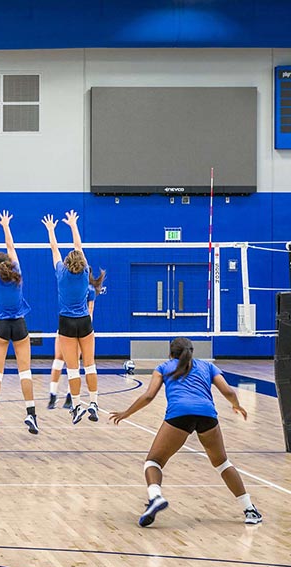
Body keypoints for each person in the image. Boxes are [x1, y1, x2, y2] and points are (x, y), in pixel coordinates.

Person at [109, 338, 263, 527]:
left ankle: (155, 497)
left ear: (170, 353)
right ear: (192, 351)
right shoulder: (207, 366)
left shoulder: (163, 367)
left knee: (153, 462)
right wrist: (236, 406)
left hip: (179, 415)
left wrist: (126, 413)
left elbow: (149, 396)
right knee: (222, 463)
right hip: (207, 414)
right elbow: (228, 391)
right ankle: (249, 509)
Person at [0, 211, 38, 435]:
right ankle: (31, 414)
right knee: (25, 372)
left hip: (1, 327)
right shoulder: (18, 273)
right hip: (20, 326)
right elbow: (11, 246)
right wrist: (5, 225)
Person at [42, 211, 100, 424]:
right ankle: (93, 403)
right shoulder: (85, 273)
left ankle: (76, 406)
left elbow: (54, 248)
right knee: (90, 365)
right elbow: (78, 245)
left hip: (66, 323)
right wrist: (74, 224)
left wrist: (51, 229)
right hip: (85, 321)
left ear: (66, 263)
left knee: (73, 367)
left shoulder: (61, 273)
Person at [48, 273, 105, 410]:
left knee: (60, 360)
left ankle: (54, 396)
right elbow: (90, 312)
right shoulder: (89, 289)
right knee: (74, 364)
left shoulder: (66, 281)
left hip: (66, 325)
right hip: (83, 326)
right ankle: (69, 398)